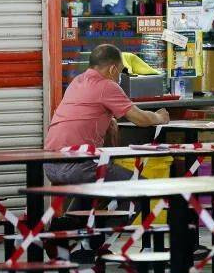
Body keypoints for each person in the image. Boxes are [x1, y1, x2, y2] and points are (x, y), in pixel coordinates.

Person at [44, 44, 170, 185]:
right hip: (78, 165)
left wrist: (109, 120)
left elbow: (85, 113)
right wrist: (160, 117)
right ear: (112, 69)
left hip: (50, 164)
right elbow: (140, 119)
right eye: (121, 71)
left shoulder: (77, 81)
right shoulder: (106, 85)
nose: (120, 76)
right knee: (141, 186)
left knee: (97, 192)